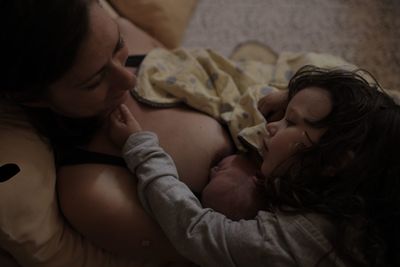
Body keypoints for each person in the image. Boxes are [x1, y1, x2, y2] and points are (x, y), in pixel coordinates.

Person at [108, 66, 400, 267]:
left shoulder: (295, 242)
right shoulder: (373, 169)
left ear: (334, 162)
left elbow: (193, 228)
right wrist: (294, 96)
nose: (271, 126)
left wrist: (141, 148)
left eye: (291, 121)